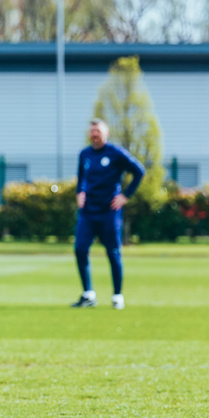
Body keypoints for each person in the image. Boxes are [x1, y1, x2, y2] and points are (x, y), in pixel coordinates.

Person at [72, 119, 145, 310]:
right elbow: (81, 177)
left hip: (109, 212)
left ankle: (117, 296)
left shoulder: (116, 153)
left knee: (113, 253)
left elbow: (139, 171)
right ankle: (88, 294)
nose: (94, 134)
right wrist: (80, 192)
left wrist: (125, 196)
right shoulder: (85, 154)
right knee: (80, 249)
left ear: (107, 133)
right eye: (92, 131)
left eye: (97, 131)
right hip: (88, 213)